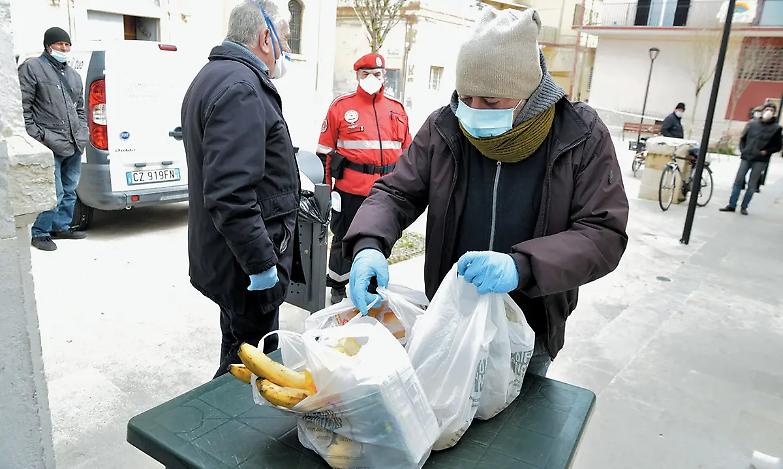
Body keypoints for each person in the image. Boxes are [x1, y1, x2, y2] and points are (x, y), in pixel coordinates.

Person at [343, 8, 629, 376]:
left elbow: (603, 232)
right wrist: (369, 244)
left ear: (529, 93)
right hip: (449, 321)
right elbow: (396, 193)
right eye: (467, 97)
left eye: (491, 101)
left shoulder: (580, 135)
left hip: (530, 332)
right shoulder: (444, 127)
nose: (474, 111)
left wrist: (523, 266)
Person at [181, 0, 302, 378]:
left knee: (237, 347)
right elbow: (230, 193)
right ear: (266, 37)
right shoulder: (242, 87)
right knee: (249, 367)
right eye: (284, 38)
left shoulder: (215, 75)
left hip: (228, 258)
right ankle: (223, 433)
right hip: (245, 266)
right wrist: (262, 266)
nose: (286, 49)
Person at [316, 53, 412, 304]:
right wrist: (325, 192)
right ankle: (338, 286)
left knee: (378, 241)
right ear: (357, 76)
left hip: (386, 194)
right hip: (350, 191)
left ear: (384, 76)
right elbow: (324, 154)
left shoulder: (397, 109)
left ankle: (371, 286)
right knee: (343, 238)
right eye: (366, 74)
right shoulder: (341, 107)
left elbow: (410, 154)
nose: (372, 79)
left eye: (377, 74)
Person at [19, 27, 89, 251]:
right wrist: (38, 137)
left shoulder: (73, 75)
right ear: (48, 45)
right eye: (60, 44)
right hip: (49, 142)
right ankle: (40, 232)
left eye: (67, 45)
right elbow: (23, 108)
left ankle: (61, 226)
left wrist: (83, 132)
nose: (64, 48)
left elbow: (80, 109)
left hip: (74, 142)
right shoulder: (32, 67)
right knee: (53, 190)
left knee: (69, 188)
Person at [719, 103, 782, 215]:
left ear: (774, 113)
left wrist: (766, 152)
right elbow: (743, 138)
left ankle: (744, 207)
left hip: (760, 160)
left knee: (752, 185)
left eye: (771, 110)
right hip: (746, 156)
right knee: (738, 181)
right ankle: (732, 205)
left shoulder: (776, 128)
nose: (768, 111)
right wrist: (743, 150)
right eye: (767, 109)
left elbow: (778, 146)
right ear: (763, 111)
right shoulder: (752, 124)